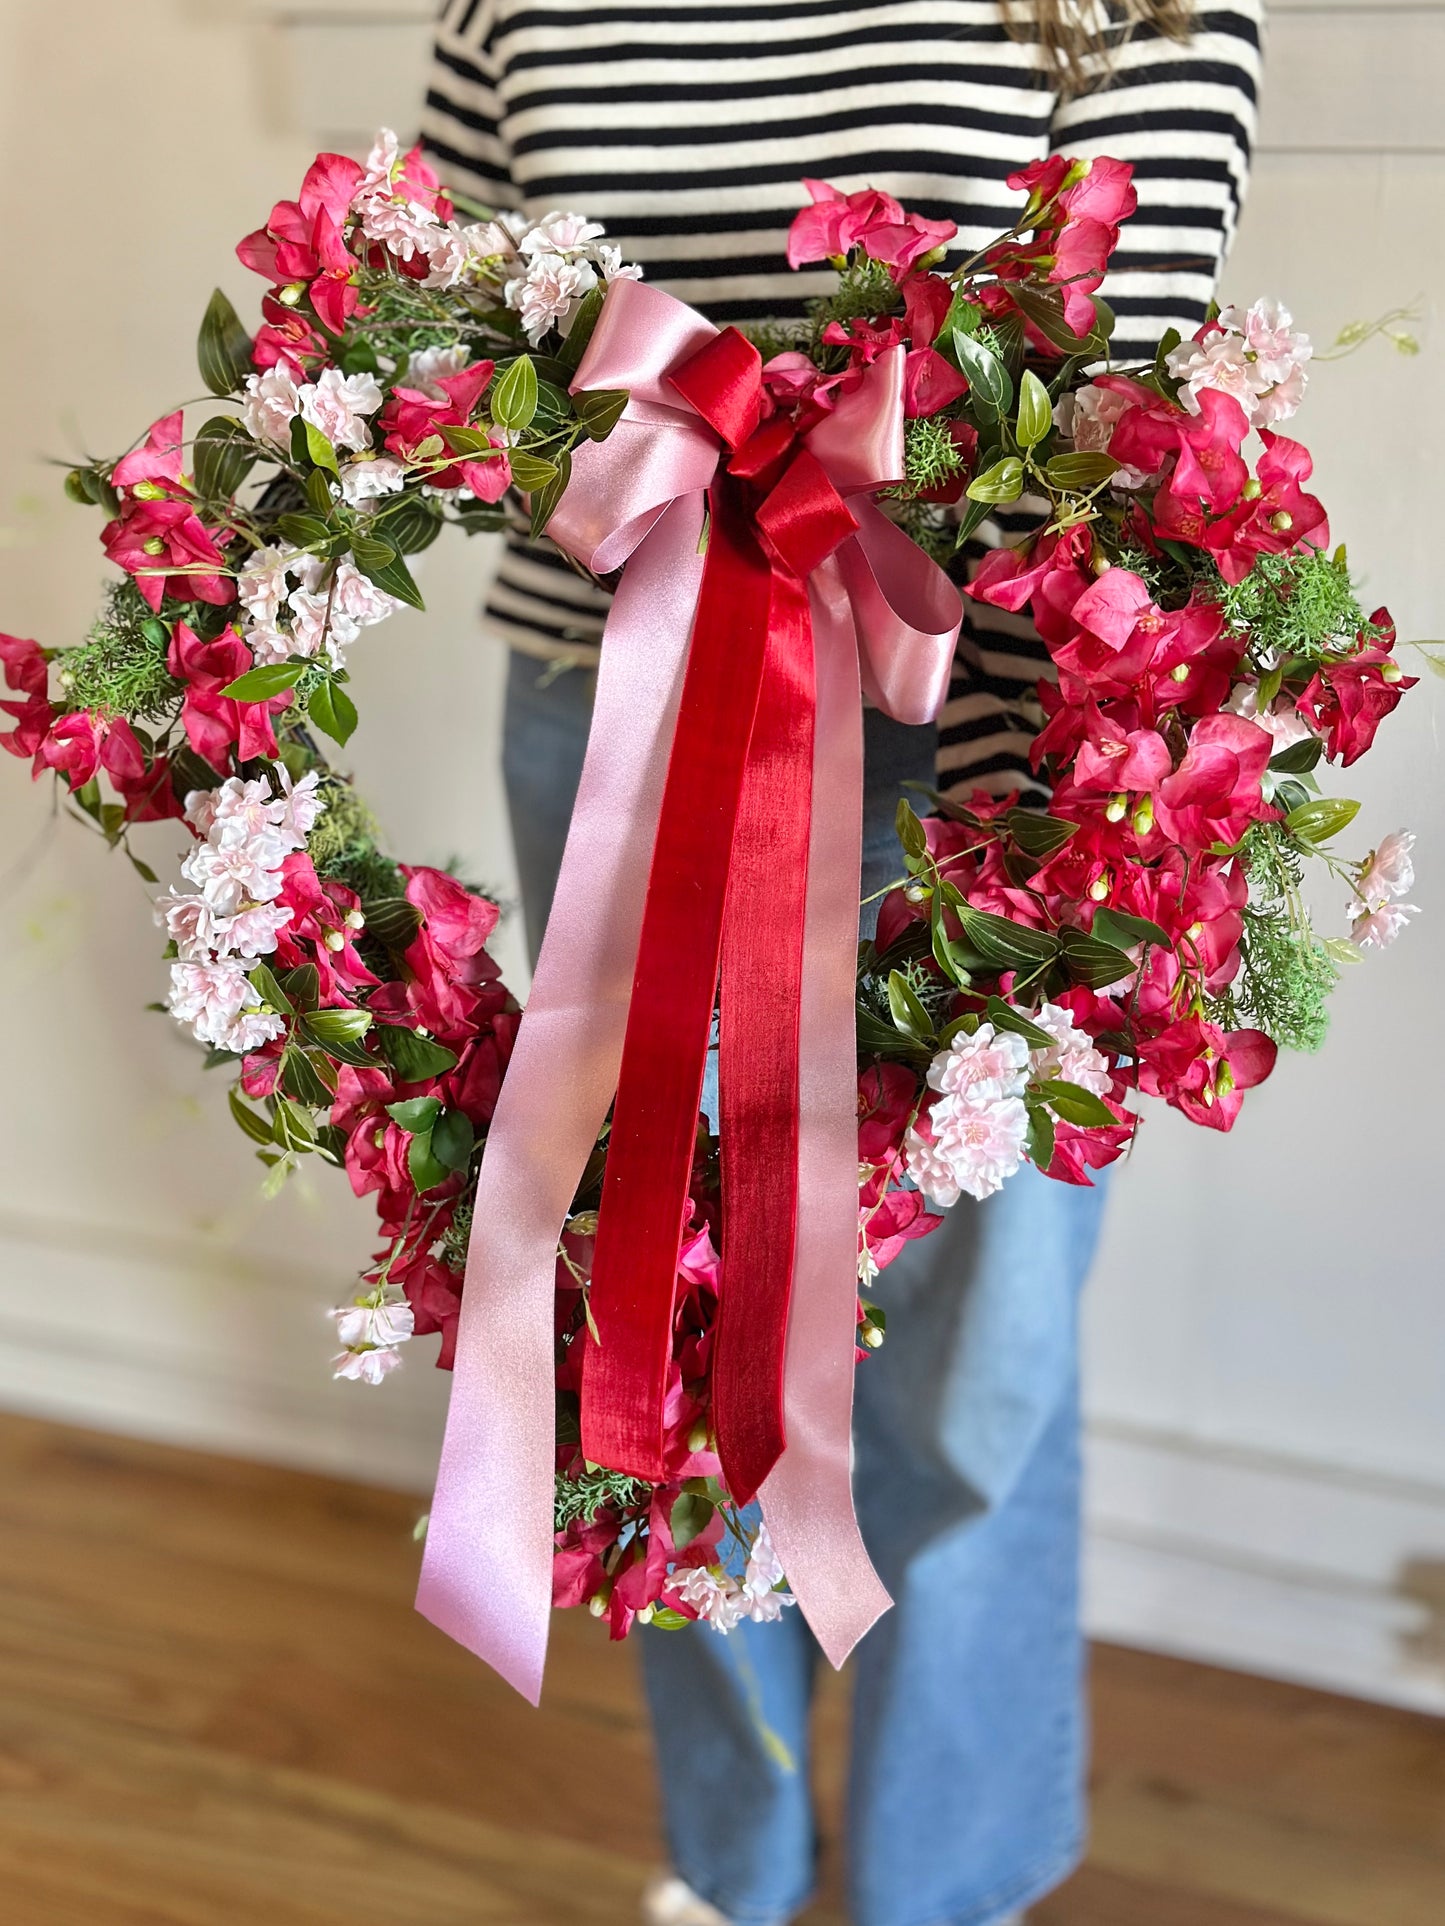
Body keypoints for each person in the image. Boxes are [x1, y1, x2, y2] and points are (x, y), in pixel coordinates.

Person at [420, 4, 1263, 1922]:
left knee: (975, 1360)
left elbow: (1115, 401)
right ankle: (727, 1855)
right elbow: (443, 348)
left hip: (979, 732)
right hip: (615, 701)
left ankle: (936, 1884)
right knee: (659, 1295)